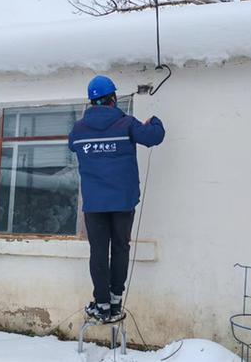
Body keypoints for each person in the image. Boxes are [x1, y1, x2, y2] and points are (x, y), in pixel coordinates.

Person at [69, 75, 165, 323]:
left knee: (99, 252)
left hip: (94, 205)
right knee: (121, 248)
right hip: (123, 202)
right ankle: (114, 300)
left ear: (92, 102)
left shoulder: (78, 129)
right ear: (112, 99)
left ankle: (101, 304)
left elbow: (72, 146)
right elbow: (154, 137)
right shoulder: (126, 124)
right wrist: (154, 121)